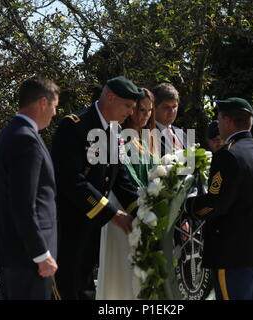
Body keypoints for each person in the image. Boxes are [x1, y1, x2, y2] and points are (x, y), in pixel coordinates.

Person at [51, 76, 144, 300]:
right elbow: (71, 181)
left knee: (85, 289)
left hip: (92, 226)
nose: (131, 113)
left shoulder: (115, 132)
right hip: (68, 226)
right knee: (66, 289)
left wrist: (142, 212)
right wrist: (112, 213)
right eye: (128, 106)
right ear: (110, 98)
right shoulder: (74, 126)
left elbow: (119, 178)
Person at [186, 97, 253, 300]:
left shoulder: (228, 155)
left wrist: (187, 207)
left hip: (233, 256)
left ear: (227, 121)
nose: (218, 124)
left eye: (218, 119)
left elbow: (215, 205)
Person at [0, 75, 59, 300]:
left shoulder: (6, 135)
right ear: (43, 102)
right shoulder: (26, 140)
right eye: (55, 106)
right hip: (28, 260)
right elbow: (23, 205)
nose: (55, 113)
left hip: (12, 253)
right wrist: (40, 254)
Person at [96, 88, 158, 299]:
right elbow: (123, 175)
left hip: (143, 207)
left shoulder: (148, 139)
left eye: (150, 111)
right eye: (141, 109)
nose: (146, 115)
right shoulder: (119, 136)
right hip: (124, 206)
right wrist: (145, 200)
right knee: (122, 267)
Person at [152, 83, 187, 155]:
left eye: (174, 106)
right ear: (154, 108)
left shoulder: (182, 134)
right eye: (166, 107)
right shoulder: (145, 134)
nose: (172, 111)